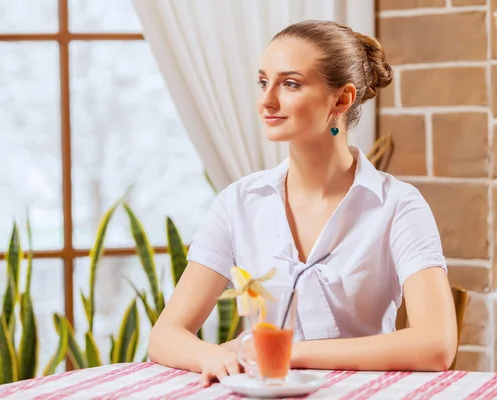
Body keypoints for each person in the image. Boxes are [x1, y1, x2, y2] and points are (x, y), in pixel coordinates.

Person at [147, 20, 458, 387]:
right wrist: (213, 355)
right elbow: (165, 335)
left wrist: (284, 351)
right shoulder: (239, 203)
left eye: (290, 84)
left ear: (342, 99)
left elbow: (437, 344)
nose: (267, 100)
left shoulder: (398, 206)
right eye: (264, 82)